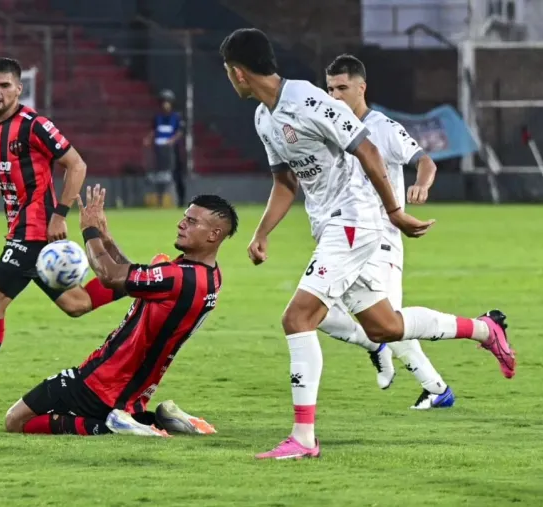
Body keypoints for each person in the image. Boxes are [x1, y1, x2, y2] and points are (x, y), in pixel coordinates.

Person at [218, 28, 516, 459]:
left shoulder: (308, 100)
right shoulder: (265, 118)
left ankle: (303, 439)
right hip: (330, 226)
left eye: (229, 72)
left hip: (356, 222)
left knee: (298, 318)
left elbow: (368, 151)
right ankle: (485, 329)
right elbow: (285, 181)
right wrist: (262, 232)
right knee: (384, 327)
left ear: (238, 73)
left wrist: (394, 211)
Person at [0, 58, 123, 404]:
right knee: (76, 304)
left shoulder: (34, 125)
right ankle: (138, 279)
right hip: (20, 230)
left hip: (35, 231)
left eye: (4, 85)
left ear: (19, 89)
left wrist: (59, 214)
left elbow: (76, 165)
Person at [4, 185, 235, 437]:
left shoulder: (177, 277)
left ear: (214, 234)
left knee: (16, 420)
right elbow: (132, 279)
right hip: (131, 391)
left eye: (192, 222)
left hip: (102, 380)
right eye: (184, 217)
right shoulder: (209, 276)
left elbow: (110, 276)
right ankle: (149, 419)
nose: (181, 224)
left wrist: (89, 230)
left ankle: (113, 428)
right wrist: (106, 237)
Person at [320, 54, 455, 410]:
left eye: (342, 88)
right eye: (329, 88)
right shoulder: (329, 129)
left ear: (361, 88)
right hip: (344, 235)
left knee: (387, 322)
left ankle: (435, 381)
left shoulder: (383, 127)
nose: (334, 95)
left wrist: (421, 186)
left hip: (381, 238)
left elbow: (425, 161)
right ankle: (384, 352)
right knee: (316, 309)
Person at [144, 89, 186, 206]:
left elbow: (180, 132)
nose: (165, 104)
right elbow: (153, 130)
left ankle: (180, 200)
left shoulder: (176, 117)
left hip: (173, 152)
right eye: (163, 101)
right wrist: (148, 139)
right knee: (160, 177)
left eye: (167, 101)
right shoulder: (157, 117)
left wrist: (171, 141)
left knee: (177, 176)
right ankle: (159, 200)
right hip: (159, 151)